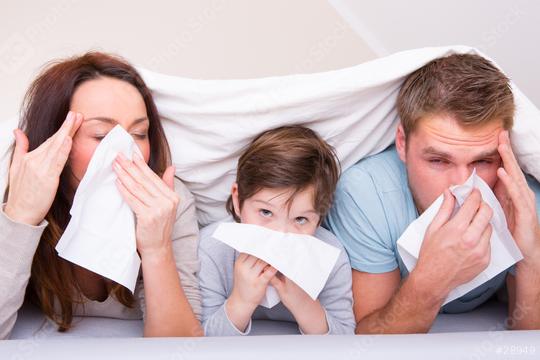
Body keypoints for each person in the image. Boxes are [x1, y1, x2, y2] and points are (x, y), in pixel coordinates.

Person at [325, 53, 540, 334]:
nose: (462, 183)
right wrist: (433, 279)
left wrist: (531, 257)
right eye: (438, 161)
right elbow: (368, 340)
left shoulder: (523, 200)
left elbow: (528, 341)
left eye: (482, 161)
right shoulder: (366, 194)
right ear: (402, 143)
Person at [0, 52, 202, 339]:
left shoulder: (167, 200)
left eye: (139, 133)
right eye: (100, 135)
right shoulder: (18, 192)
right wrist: (21, 215)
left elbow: (181, 346)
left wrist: (157, 249)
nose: (123, 149)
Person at [199, 125, 355, 335]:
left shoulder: (330, 257)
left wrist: (306, 306)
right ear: (237, 200)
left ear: (319, 219)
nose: (281, 235)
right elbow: (201, 343)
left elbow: (346, 343)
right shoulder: (213, 249)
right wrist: (240, 302)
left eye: (300, 219)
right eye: (265, 212)